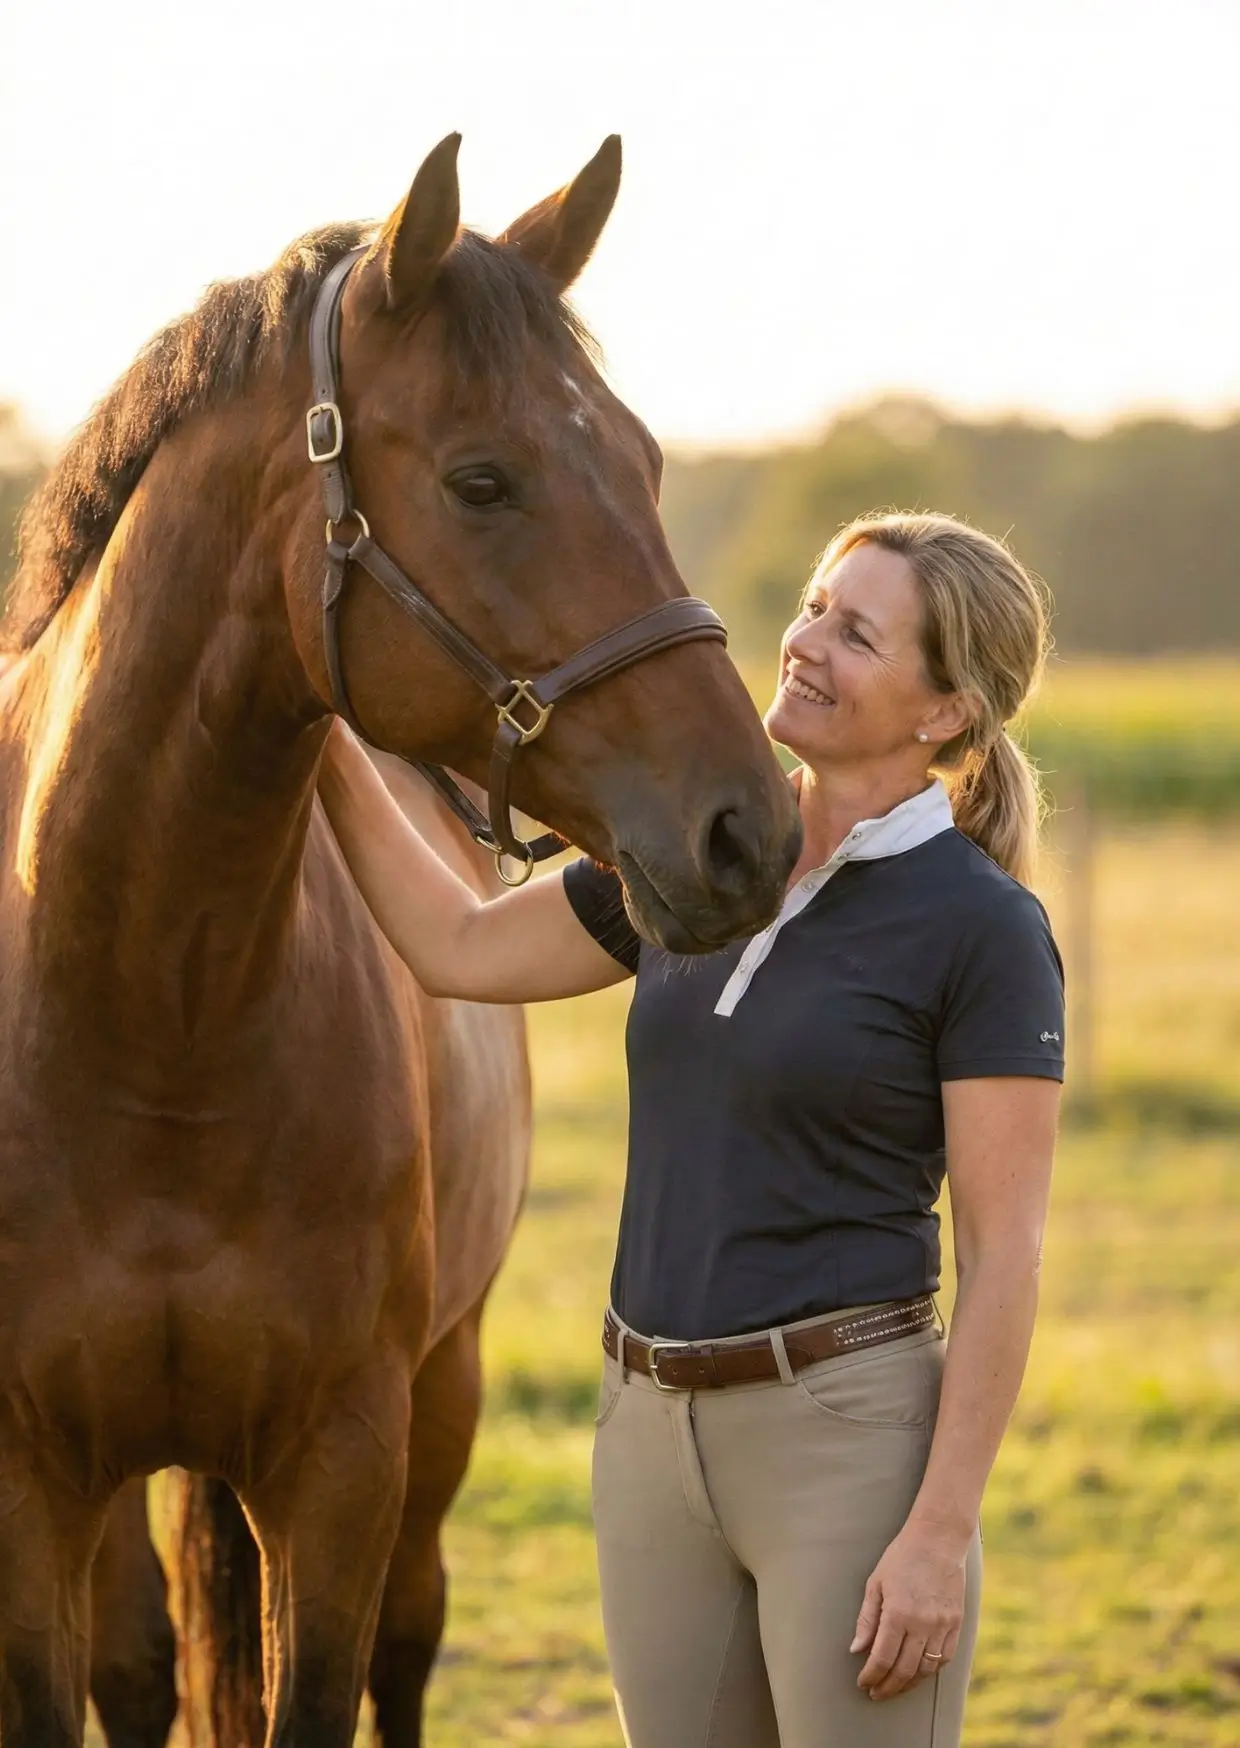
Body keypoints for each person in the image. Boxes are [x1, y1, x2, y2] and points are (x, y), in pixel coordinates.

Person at [318, 510, 1065, 1748]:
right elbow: (457, 944)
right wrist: (322, 730)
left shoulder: (979, 927)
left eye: (858, 634)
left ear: (944, 711)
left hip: (846, 1445)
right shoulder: (694, 849)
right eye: (815, 607)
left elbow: (1004, 1254)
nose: (806, 642)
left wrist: (937, 1530)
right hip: (647, 1437)